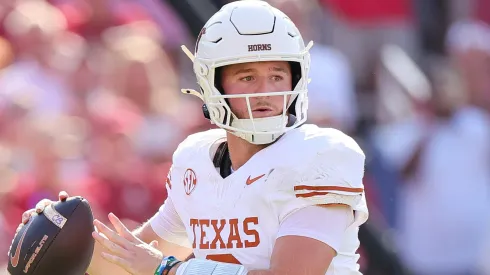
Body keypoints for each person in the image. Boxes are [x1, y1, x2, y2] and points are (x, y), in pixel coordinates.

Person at [10, 1, 368, 274]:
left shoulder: (322, 155)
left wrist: (168, 269)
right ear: (212, 83)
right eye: (247, 78)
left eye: (277, 76)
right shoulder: (196, 160)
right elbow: (131, 260)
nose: (265, 92)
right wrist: (57, 235)